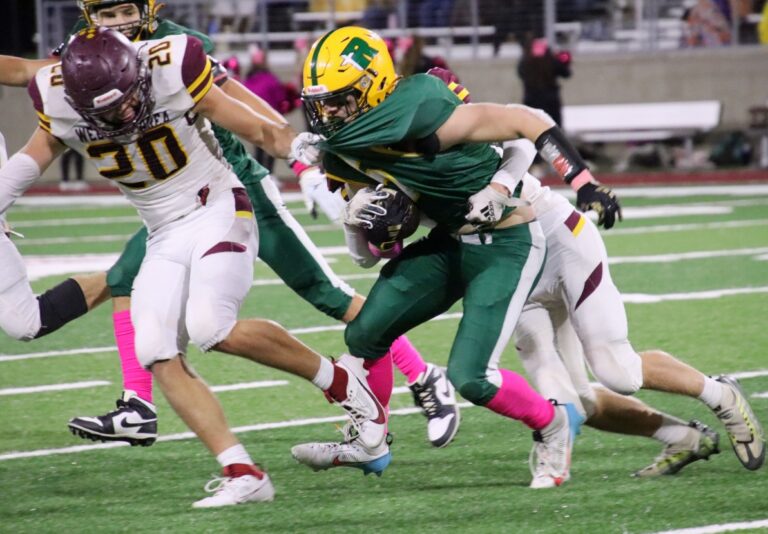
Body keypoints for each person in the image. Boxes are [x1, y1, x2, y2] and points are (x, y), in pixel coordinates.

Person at [0, 0, 459, 453]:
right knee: (125, 277)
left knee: (324, 293)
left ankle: (424, 376)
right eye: (107, 14)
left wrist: (301, 161)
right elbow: (25, 71)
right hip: (171, 210)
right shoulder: (90, 61)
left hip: (234, 187)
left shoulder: (175, 48)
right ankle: (138, 403)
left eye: (125, 11)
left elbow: (241, 100)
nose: (118, 22)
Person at [288, 26, 615, 488]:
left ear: (374, 86)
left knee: (471, 376)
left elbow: (525, 124)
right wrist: (355, 216)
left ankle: (553, 424)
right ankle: (370, 441)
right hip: (448, 242)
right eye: (322, 103)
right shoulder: (341, 148)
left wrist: (581, 181)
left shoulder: (424, 107)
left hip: (506, 242)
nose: (328, 113)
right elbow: (370, 257)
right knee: (364, 332)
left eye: (339, 100)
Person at [517, 37, 571, 128]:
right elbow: (566, 73)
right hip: (550, 100)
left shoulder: (526, 62)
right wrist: (564, 62)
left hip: (532, 99)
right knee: (554, 127)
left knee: (532, 128)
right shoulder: (552, 61)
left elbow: (520, 73)